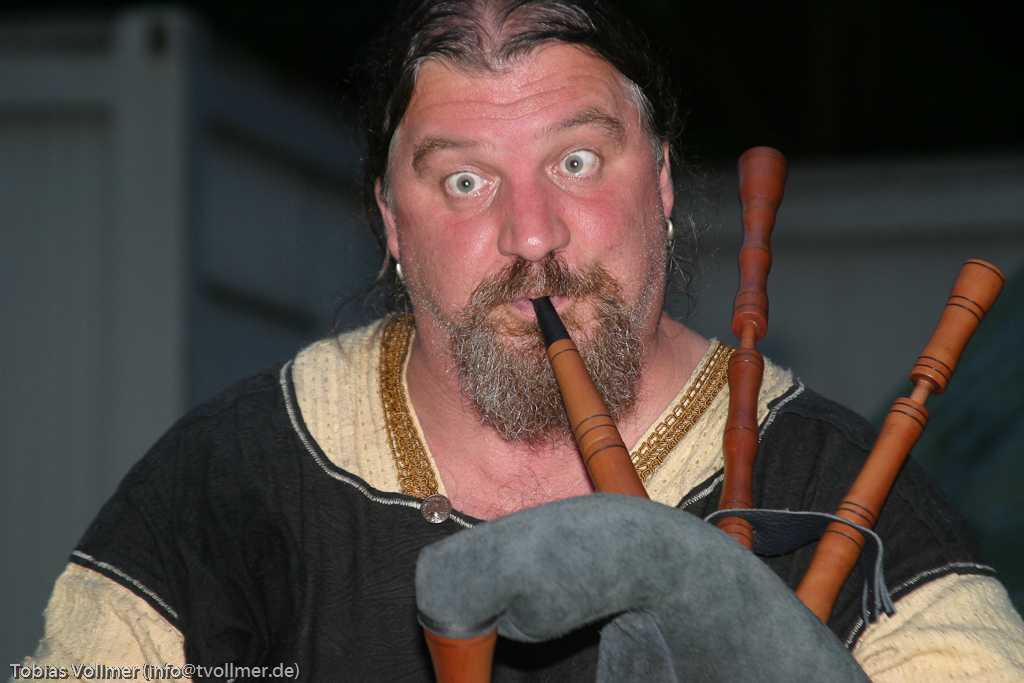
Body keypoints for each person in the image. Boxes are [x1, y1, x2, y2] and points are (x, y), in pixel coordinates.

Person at [16, 0, 1024, 680]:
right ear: (391, 222)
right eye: (465, 180)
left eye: (576, 160)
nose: (531, 235)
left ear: (661, 185)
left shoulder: (848, 489)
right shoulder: (231, 479)